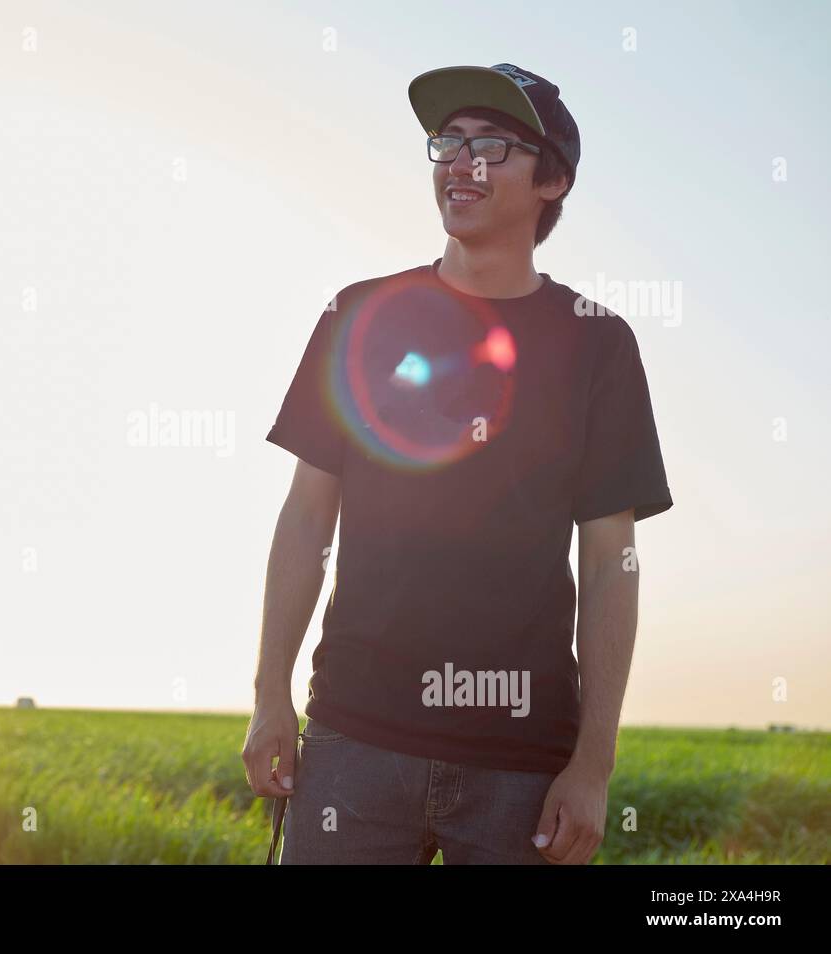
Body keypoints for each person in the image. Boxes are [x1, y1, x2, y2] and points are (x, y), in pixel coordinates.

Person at [243, 63, 673, 864]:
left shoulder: (597, 342)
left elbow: (614, 559)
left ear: (553, 181)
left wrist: (594, 763)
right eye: (449, 142)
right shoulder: (357, 315)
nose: (459, 162)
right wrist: (271, 693)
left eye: (493, 147)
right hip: (352, 744)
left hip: (521, 765)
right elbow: (307, 517)